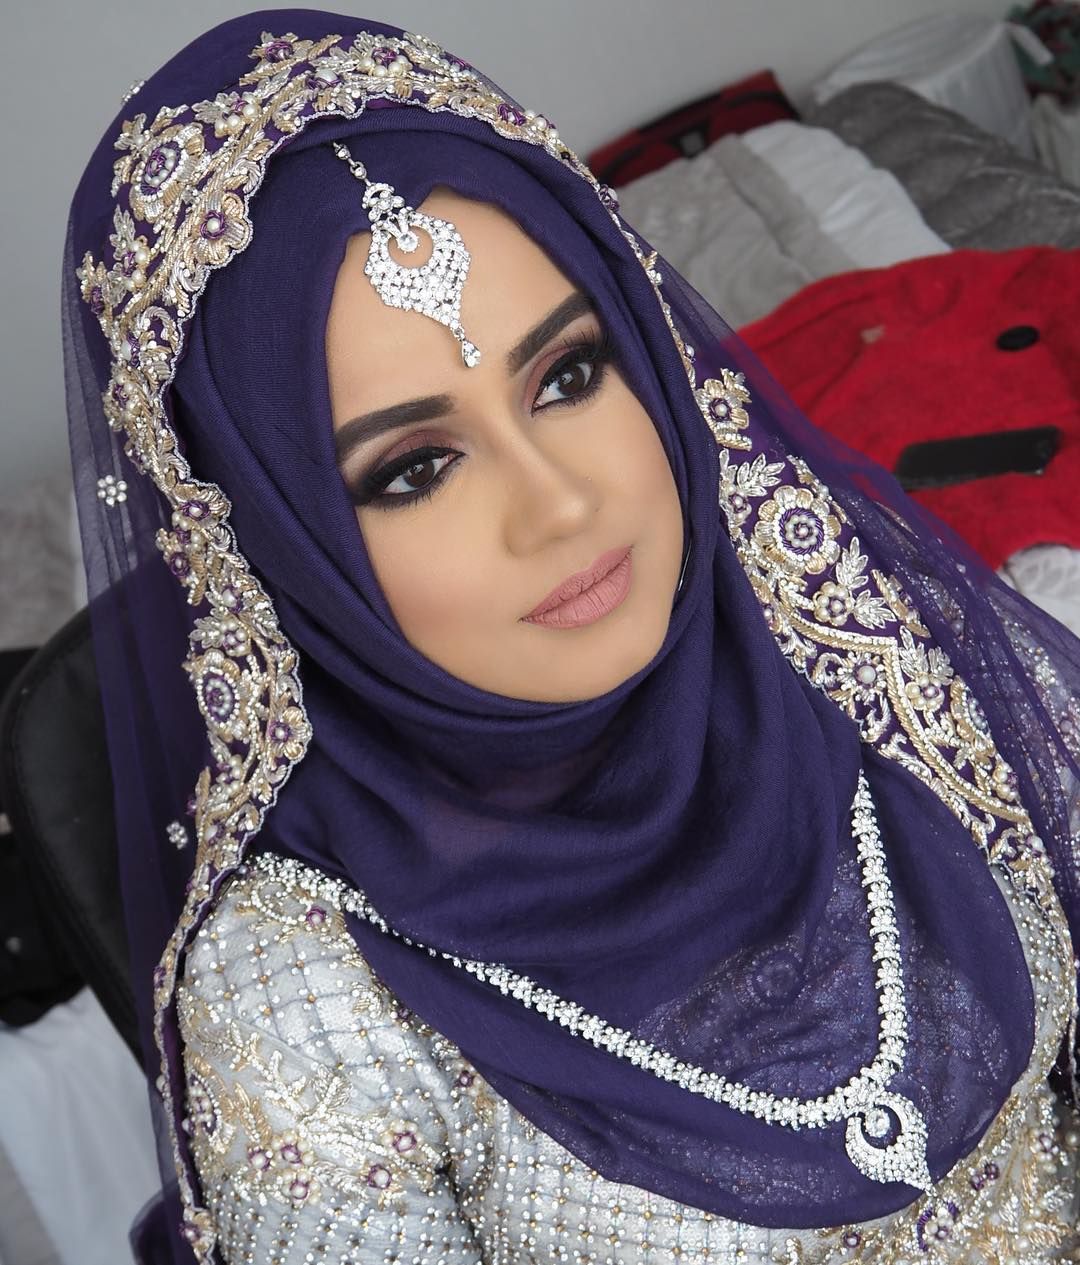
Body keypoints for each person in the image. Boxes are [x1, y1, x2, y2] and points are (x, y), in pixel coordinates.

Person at [63, 10, 1080, 1264]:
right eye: (415, 467)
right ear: (279, 547)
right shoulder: (303, 1004)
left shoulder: (851, 616)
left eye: (568, 376)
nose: (561, 504)